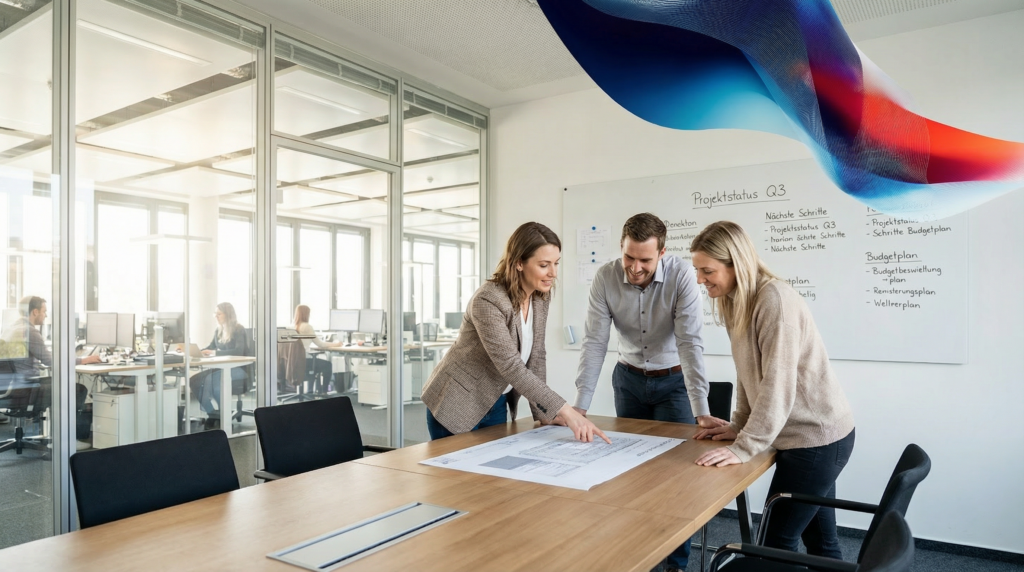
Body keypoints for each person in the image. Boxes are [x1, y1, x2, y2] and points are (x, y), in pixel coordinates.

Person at [689, 221, 855, 559]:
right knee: (821, 545)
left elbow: (778, 387)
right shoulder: (737, 300)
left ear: (736, 263)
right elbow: (750, 373)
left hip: (817, 439)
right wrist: (739, 425)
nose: (699, 280)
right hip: (805, 438)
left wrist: (744, 446)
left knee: (774, 547)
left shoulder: (774, 301)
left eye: (708, 271)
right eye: (697, 270)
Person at [572, 213, 723, 572]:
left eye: (645, 260)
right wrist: (580, 405)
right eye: (629, 257)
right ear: (621, 249)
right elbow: (594, 342)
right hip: (629, 380)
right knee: (630, 473)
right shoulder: (606, 277)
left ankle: (675, 564)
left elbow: (690, 343)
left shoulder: (683, 275)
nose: (635, 268)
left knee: (677, 477)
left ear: (662, 253)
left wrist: (700, 407)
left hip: (674, 383)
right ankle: (640, 557)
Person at [422, 222, 610, 444]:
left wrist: (544, 414)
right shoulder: (489, 299)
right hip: (458, 403)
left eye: (556, 263)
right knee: (458, 477)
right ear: (519, 263)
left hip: (497, 400)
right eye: (544, 265)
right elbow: (511, 366)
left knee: (492, 476)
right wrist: (568, 412)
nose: (553, 273)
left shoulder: (540, 296)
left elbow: (537, 355)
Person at [0, 296, 100, 439]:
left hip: (14, 387)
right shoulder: (29, 331)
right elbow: (50, 361)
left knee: (60, 384)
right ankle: (69, 439)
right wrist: (84, 360)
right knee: (78, 389)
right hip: (27, 388)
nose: (46, 315)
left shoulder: (10, 328)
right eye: (44, 311)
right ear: (35, 312)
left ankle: (59, 436)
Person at [192, 302, 248, 427]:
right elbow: (210, 347)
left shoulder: (239, 329)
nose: (216, 316)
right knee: (194, 381)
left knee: (216, 383)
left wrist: (214, 352)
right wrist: (197, 351)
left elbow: (239, 351)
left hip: (238, 368)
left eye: (219, 314)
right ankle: (212, 413)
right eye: (215, 314)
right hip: (221, 368)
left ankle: (224, 416)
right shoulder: (218, 330)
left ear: (227, 315)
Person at [293, 304, 343, 392]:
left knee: (316, 362)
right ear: (306, 314)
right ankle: (324, 392)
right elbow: (320, 344)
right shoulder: (307, 326)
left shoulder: (292, 326)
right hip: (305, 362)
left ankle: (310, 391)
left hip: (293, 363)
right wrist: (336, 344)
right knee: (328, 365)